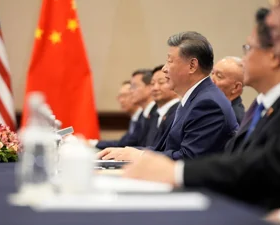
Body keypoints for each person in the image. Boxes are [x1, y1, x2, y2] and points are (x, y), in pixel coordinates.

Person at [122, 0, 280, 214]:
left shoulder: (209, 103)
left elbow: (275, 166)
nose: (272, 19)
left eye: (248, 49)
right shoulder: (268, 103)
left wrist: (175, 171)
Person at [97, 31, 238, 160]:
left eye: (170, 61)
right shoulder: (195, 99)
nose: (164, 69)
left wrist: (139, 155)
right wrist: (125, 152)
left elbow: (189, 158)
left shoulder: (208, 104)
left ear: (192, 66)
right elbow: (163, 149)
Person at [224, 8, 280, 154]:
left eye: (248, 48)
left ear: (274, 56)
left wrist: (180, 171)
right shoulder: (262, 107)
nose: (242, 62)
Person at [90, 81, 142, 149]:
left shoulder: (145, 118)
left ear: (135, 95)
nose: (121, 100)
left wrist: (94, 143)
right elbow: (122, 142)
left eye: (124, 96)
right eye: (120, 96)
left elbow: (124, 144)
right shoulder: (134, 119)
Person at [144, 65, 180, 147]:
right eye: (152, 84)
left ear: (174, 84)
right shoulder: (153, 114)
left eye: (161, 83)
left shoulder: (178, 113)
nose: (155, 88)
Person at [211, 56, 245, 124]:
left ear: (236, 87)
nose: (211, 80)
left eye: (219, 76)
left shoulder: (233, 118)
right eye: (212, 73)